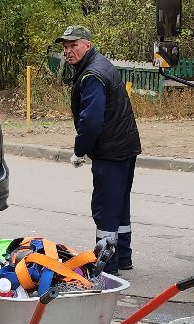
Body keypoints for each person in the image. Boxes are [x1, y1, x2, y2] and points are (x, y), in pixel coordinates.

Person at [60, 25, 142, 271]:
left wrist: (79, 151)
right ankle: (123, 256)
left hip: (110, 151)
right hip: (125, 147)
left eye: (74, 45)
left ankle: (107, 266)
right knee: (120, 207)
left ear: (87, 45)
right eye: (65, 47)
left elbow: (91, 122)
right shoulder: (102, 65)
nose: (68, 51)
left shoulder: (92, 75)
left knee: (105, 210)